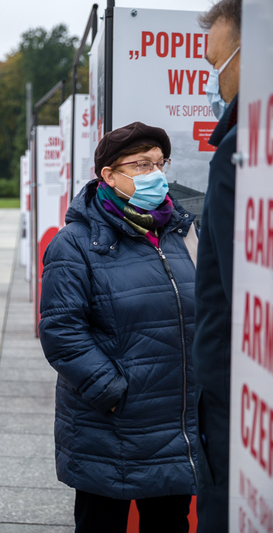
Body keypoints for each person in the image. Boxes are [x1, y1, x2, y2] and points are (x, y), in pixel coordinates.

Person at [39, 122, 198, 532]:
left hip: (173, 427)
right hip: (110, 427)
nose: (156, 174)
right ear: (108, 175)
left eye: (160, 163)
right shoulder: (75, 243)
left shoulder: (181, 233)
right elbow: (62, 332)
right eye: (142, 164)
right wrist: (113, 393)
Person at [193, 1, 242, 530]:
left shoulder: (238, 155)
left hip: (233, 401)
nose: (216, 84)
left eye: (216, 67)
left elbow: (232, 290)